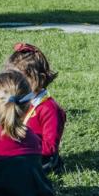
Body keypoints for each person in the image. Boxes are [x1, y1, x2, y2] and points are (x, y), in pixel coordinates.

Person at [4, 43, 66, 173]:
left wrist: (21, 145)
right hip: (18, 150)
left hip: (39, 159)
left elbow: (49, 148)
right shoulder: (20, 100)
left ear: (39, 79)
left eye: (20, 79)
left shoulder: (50, 109)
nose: (15, 84)